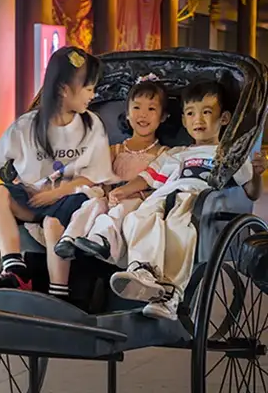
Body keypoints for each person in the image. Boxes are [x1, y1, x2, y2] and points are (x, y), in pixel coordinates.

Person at [109, 81, 266, 321]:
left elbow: (252, 193)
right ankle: (142, 269)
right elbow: (149, 177)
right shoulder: (176, 153)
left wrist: (256, 174)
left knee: (178, 227)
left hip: (196, 199)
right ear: (183, 120)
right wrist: (123, 190)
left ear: (224, 118)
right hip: (163, 196)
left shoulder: (230, 155)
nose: (198, 120)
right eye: (191, 113)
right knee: (137, 219)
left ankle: (171, 293)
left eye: (206, 112)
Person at [0, 47, 114, 299]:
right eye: (88, 89)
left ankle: (59, 293)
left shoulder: (92, 125)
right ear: (64, 89)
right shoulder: (28, 124)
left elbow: (95, 176)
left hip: (73, 198)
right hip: (36, 197)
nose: (93, 95)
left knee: (52, 223)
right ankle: (15, 270)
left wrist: (56, 193)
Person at [55, 75, 168, 265]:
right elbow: (98, 174)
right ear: (127, 114)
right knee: (92, 205)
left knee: (120, 210)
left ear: (163, 116)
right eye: (137, 108)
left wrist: (134, 194)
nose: (143, 115)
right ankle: (70, 238)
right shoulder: (116, 149)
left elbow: (157, 184)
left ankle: (101, 239)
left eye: (151, 109)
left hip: (138, 201)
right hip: (110, 197)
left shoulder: (163, 153)